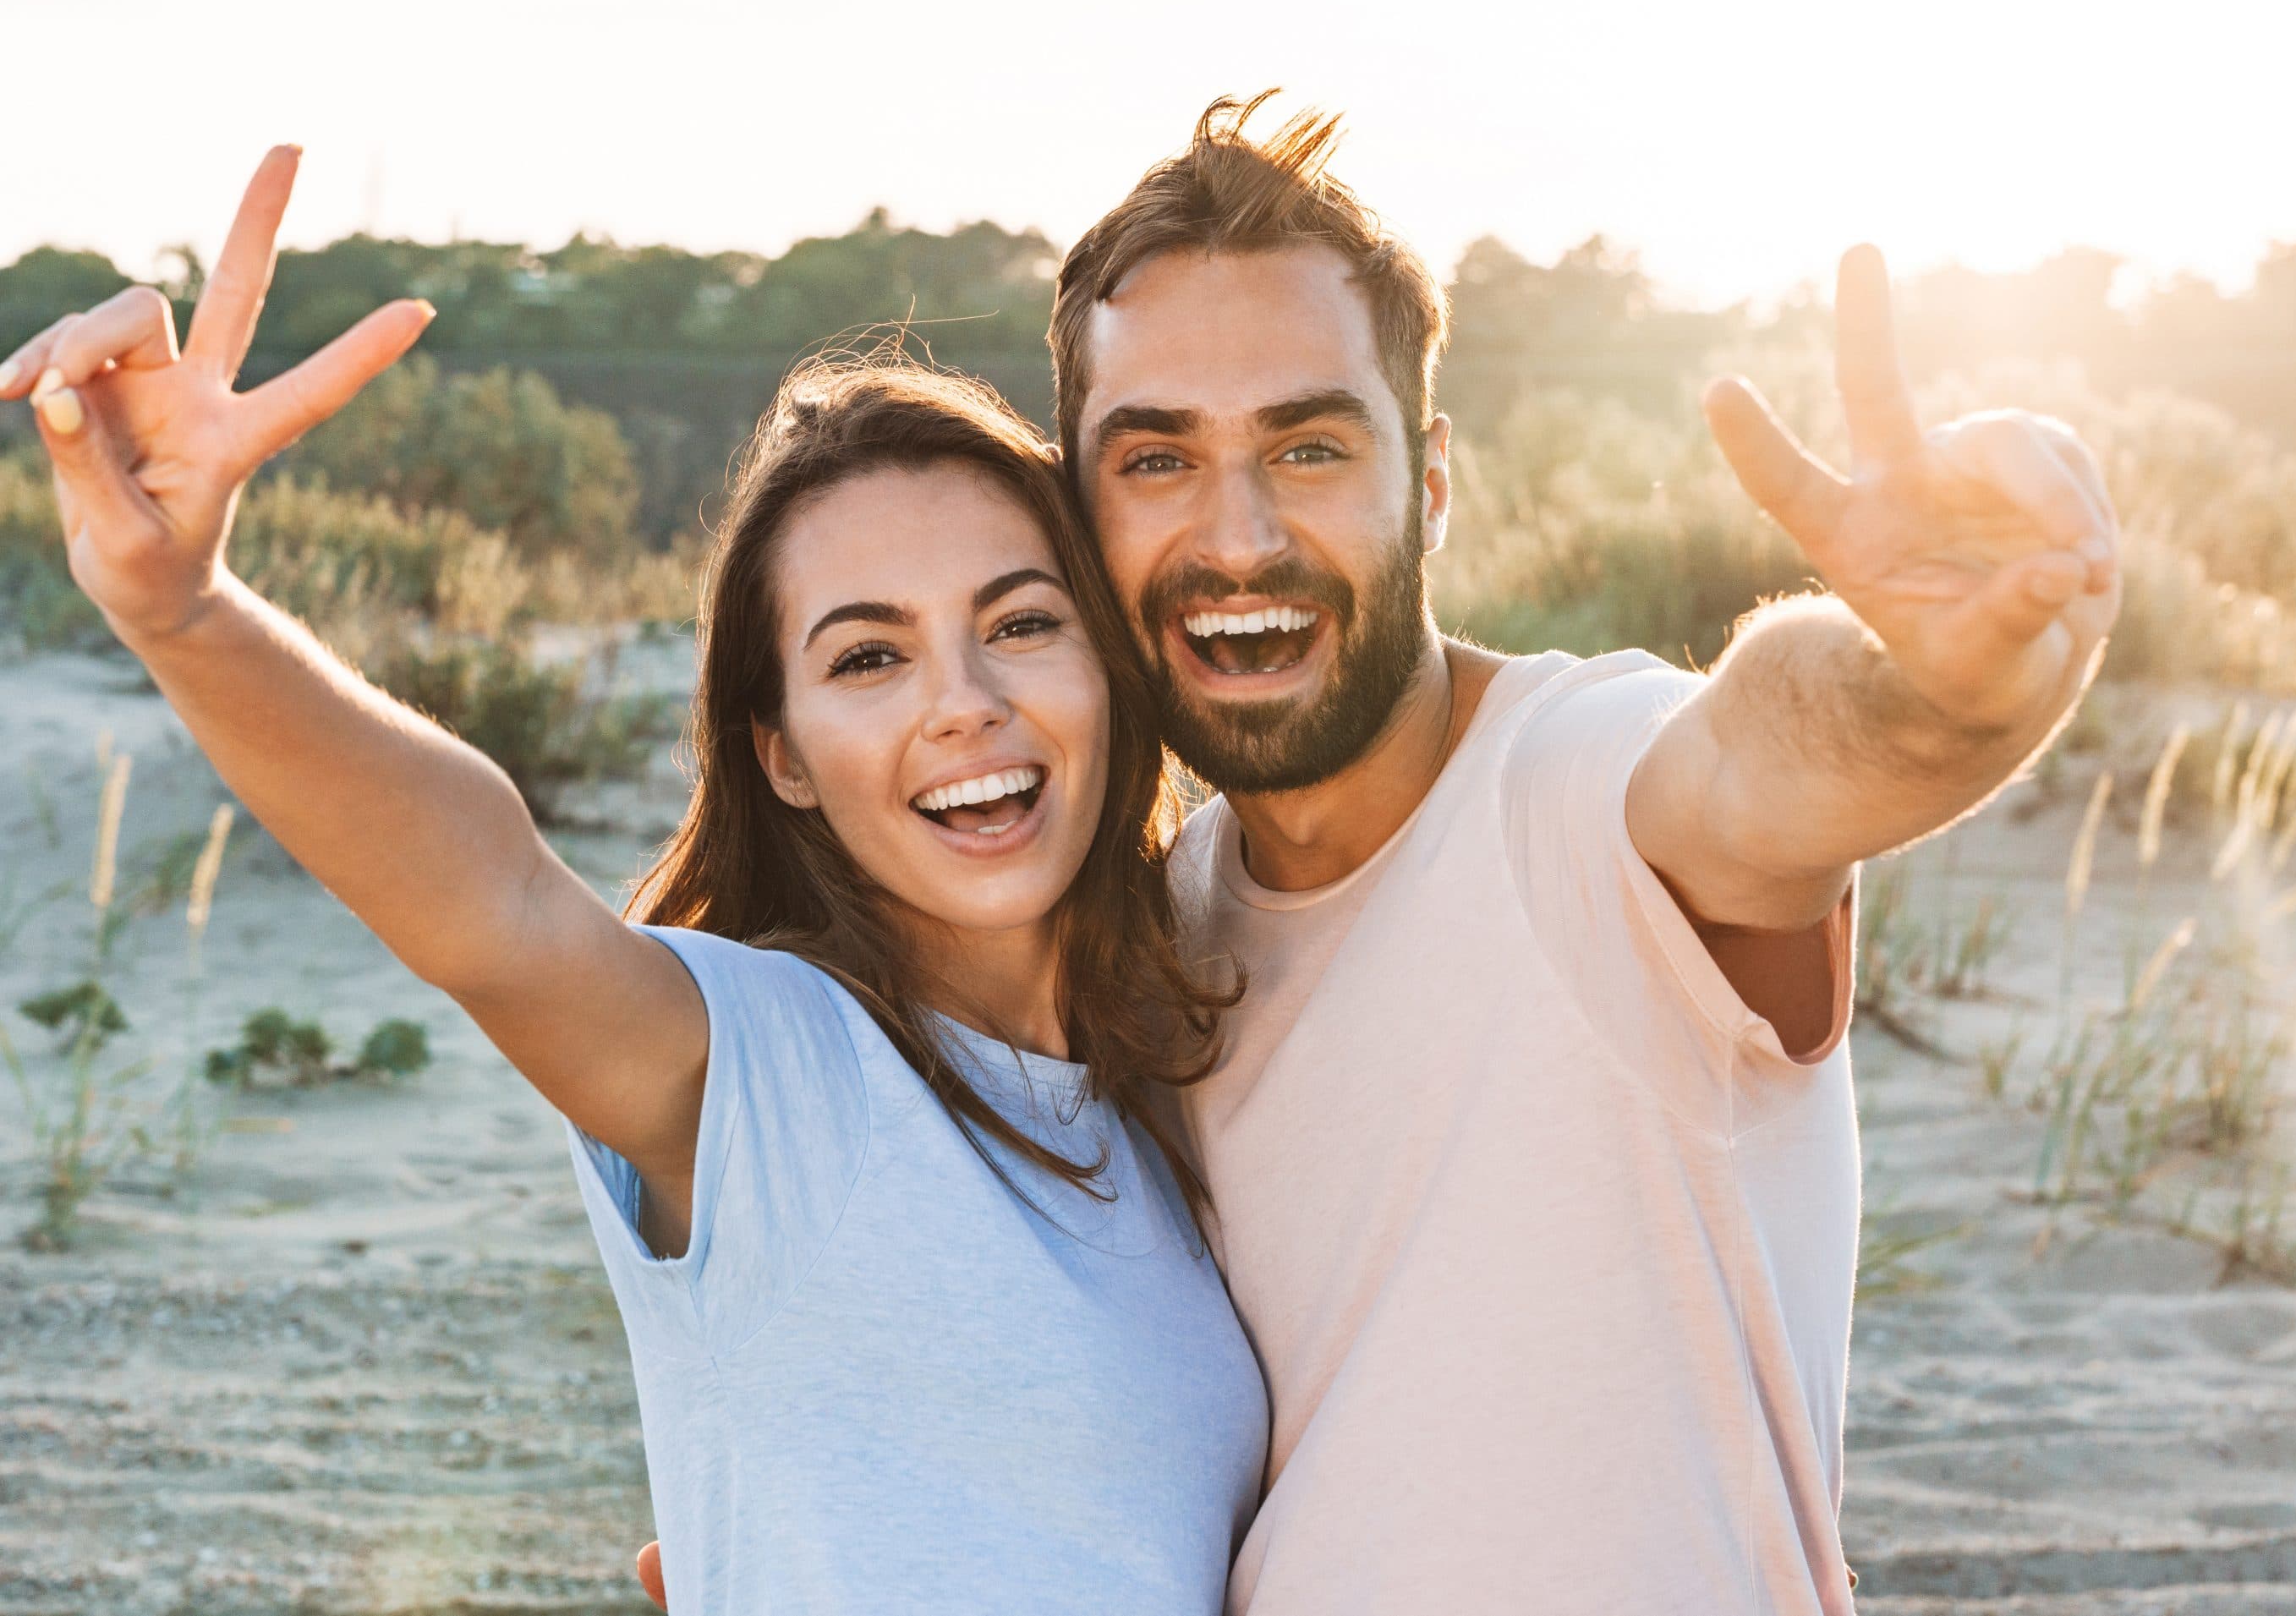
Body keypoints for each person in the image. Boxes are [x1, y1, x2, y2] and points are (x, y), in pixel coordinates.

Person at [641, 96, 2122, 1612]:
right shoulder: (1138, 954)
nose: (1239, 536)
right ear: (1081, 517)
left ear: (1430, 479)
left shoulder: (1579, 794)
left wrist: (1943, 683)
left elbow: (1773, 755)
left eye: (1309, 445)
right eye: (1157, 461)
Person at [3, 146, 1268, 1616]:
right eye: (868, 656)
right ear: (781, 754)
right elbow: (499, 905)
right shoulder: (768, 1070)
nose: (964, 700)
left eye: (1023, 622)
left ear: (1106, 671)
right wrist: (186, 610)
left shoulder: (1172, 1082)